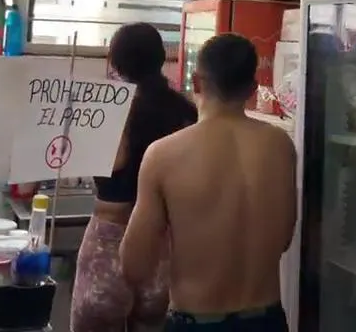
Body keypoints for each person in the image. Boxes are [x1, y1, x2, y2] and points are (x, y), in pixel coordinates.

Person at [120, 33, 297, 332]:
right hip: (268, 319)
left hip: (196, 322)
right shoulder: (280, 145)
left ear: (196, 82)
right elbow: (284, 240)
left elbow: (134, 267)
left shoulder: (163, 155)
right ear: (252, 89)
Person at [71, 22, 199, 332]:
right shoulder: (185, 111)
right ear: (160, 59)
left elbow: (111, 162)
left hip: (109, 242)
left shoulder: (109, 110)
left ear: (115, 62)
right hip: (162, 246)